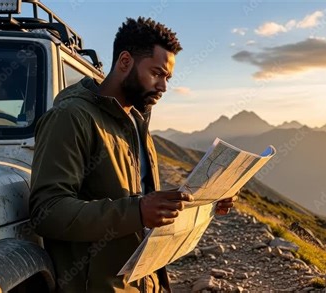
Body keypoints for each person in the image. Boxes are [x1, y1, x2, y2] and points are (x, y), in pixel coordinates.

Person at [29, 17, 237, 292]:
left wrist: (205, 199)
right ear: (125, 61)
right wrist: (138, 211)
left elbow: (135, 197)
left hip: (143, 283)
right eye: (157, 73)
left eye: (167, 78)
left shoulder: (136, 123)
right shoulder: (71, 118)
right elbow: (47, 212)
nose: (163, 86)